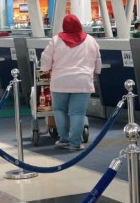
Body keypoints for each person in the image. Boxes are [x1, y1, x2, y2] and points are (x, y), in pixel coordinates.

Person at [40, 14, 101, 151]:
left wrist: (45, 69)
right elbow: (98, 62)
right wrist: (95, 70)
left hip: (60, 81)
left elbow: (45, 61)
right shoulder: (91, 41)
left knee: (59, 110)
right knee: (78, 113)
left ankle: (63, 139)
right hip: (82, 81)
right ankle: (75, 144)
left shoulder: (55, 40)